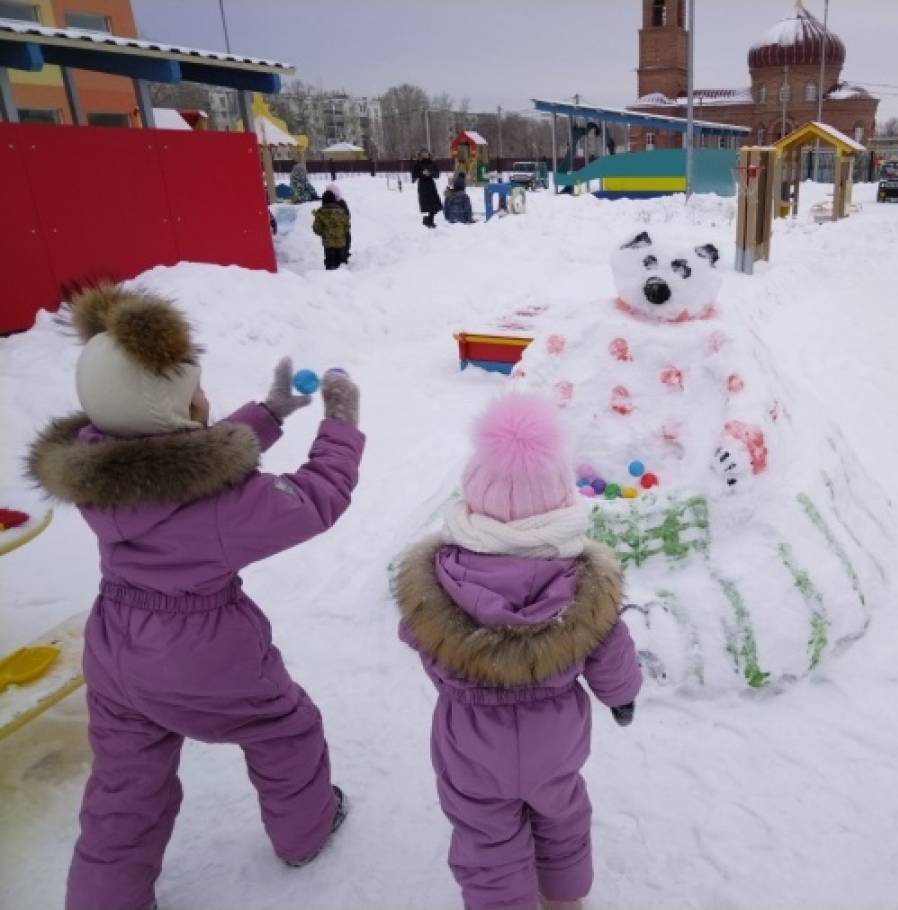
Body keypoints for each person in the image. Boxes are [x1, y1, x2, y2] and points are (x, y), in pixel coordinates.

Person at [26, 284, 365, 910]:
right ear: (171, 412)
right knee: (285, 728)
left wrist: (270, 411)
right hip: (201, 657)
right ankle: (306, 831)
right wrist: (339, 425)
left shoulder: (101, 469)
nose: (205, 398)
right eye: (194, 393)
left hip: (115, 652)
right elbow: (317, 498)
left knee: (125, 785)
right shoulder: (218, 510)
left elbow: (182, 460)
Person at [393, 394, 642, 910]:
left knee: (484, 833)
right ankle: (565, 898)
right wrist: (623, 697)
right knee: (562, 813)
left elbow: (415, 635)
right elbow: (611, 652)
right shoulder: (584, 588)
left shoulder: (436, 584)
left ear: (474, 501)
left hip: (469, 738)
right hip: (556, 734)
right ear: (559, 505)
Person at [312, 189, 350, 270]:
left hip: (328, 244)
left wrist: (324, 233)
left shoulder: (320, 213)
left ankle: (330, 278)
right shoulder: (341, 211)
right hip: (341, 243)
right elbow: (347, 226)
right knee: (341, 265)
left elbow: (317, 229)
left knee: (330, 264)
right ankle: (344, 279)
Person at [412, 149, 443, 228]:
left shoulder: (432, 163)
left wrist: (430, 173)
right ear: (420, 154)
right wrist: (422, 173)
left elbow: (437, 174)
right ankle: (430, 221)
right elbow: (414, 175)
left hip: (431, 185)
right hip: (423, 186)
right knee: (428, 205)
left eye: (426, 153)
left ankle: (427, 219)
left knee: (436, 205)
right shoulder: (418, 163)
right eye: (423, 153)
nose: (425, 154)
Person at [325, 182, 352, 262]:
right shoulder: (340, 202)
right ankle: (342, 258)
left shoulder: (328, 202)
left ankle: (338, 258)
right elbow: (347, 215)